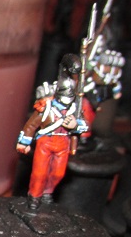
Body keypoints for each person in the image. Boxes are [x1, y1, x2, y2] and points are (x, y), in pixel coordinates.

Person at [16, 56, 88, 210]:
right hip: (46, 142)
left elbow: (84, 127)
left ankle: (47, 192)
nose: (67, 99)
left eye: (70, 96)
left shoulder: (75, 110)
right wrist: (24, 142)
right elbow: (31, 125)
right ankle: (34, 196)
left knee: (58, 173)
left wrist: (75, 125)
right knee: (39, 173)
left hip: (63, 144)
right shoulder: (46, 108)